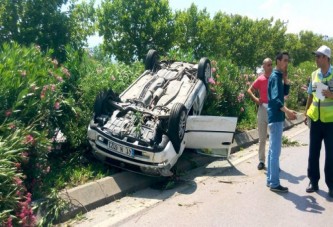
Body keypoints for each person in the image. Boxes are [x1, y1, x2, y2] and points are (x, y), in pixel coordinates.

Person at [304, 45, 333, 198]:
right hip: (315, 119)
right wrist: (306, 112)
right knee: (313, 152)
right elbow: (310, 94)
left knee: (331, 155)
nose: (315, 59)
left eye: (318, 56)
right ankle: (313, 181)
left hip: (331, 122)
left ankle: (332, 185)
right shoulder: (314, 74)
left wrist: (331, 94)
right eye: (315, 56)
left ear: (326, 58)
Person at [266, 52, 297, 193]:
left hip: (275, 117)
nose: (286, 63)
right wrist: (288, 111)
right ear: (278, 61)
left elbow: (283, 93)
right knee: (275, 152)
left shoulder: (278, 76)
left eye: (287, 61)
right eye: (284, 60)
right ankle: (274, 183)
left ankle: (270, 180)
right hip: (276, 118)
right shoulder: (274, 76)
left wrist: (286, 81)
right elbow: (276, 99)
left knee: (272, 150)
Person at [247, 58, 273, 170]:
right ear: (263, 66)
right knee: (262, 138)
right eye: (268, 65)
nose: (270, 67)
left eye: (271, 64)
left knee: (273, 138)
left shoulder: (275, 78)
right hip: (262, 110)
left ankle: (273, 161)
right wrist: (256, 99)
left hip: (273, 110)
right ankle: (261, 161)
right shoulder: (260, 79)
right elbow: (249, 90)